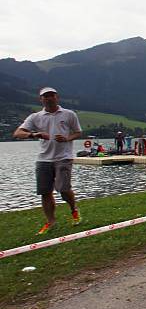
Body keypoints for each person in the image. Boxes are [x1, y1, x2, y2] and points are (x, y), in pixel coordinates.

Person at [13, 87, 83, 235]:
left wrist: (67, 138)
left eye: (51, 95)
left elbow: (78, 132)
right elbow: (18, 133)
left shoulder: (69, 114)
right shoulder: (35, 117)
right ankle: (51, 222)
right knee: (45, 192)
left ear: (57, 97)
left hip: (63, 157)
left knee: (63, 189)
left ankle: (74, 210)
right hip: (44, 158)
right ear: (41, 99)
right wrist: (34, 134)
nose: (49, 98)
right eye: (45, 96)